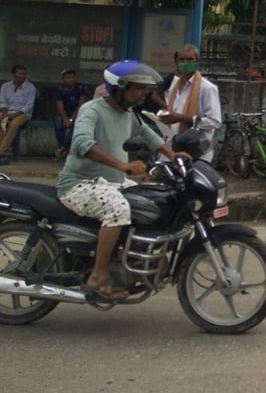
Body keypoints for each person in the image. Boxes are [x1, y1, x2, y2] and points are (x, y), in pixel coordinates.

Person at [56, 60, 177, 300]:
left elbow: (147, 134)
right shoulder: (92, 110)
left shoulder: (128, 113)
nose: (143, 93)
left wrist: (173, 156)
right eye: (137, 87)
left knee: (151, 202)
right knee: (117, 208)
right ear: (118, 88)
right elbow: (82, 144)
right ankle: (98, 275)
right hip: (79, 184)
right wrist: (122, 165)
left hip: (111, 182)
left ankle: (131, 260)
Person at [158, 44, 222, 163]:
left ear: (197, 61)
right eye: (181, 60)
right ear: (176, 62)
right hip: (173, 150)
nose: (185, 62)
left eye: (189, 59)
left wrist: (183, 119)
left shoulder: (206, 88)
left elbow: (215, 121)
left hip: (197, 153)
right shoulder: (175, 86)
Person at [0, 64, 36, 163]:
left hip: (23, 113)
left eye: (24, 74)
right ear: (13, 74)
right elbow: (2, 102)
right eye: (20, 74)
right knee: (2, 123)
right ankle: (6, 152)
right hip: (7, 112)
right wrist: (4, 112)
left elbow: (29, 105)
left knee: (14, 124)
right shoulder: (5, 86)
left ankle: (1, 151)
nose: (22, 76)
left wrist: (14, 115)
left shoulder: (30, 87)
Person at [54, 68, 89, 161]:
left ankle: (63, 148)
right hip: (64, 113)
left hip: (78, 112)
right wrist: (65, 118)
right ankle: (63, 148)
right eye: (68, 77)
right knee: (58, 123)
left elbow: (81, 104)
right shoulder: (59, 89)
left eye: (72, 77)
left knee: (76, 124)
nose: (70, 79)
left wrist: (72, 119)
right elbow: (59, 105)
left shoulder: (81, 87)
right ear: (63, 79)